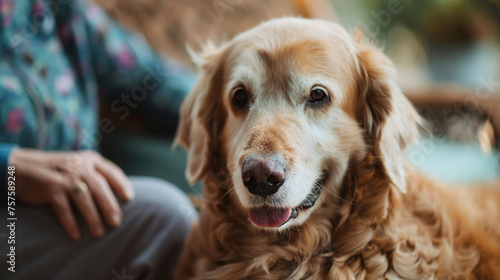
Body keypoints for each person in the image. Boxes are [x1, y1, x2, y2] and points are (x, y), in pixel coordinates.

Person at [0, 0, 197, 279]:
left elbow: (147, 77)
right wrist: (8, 166)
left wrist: (241, 110)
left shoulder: (49, 7)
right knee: (164, 217)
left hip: (75, 198)